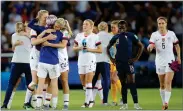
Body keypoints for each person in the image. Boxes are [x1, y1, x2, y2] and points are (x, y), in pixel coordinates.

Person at [107, 20, 144, 110]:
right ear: (118, 28)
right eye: (120, 27)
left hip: (128, 63)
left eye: (123, 27)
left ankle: (136, 104)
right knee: (123, 84)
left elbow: (141, 46)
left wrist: (136, 58)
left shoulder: (131, 36)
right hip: (119, 63)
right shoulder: (116, 37)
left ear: (126, 27)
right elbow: (108, 47)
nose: (121, 28)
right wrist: (111, 58)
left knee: (132, 82)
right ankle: (125, 104)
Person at [147, 16, 181, 110]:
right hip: (159, 61)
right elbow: (151, 45)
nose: (161, 25)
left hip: (170, 61)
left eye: (163, 23)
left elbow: (177, 46)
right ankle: (163, 103)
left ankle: (166, 102)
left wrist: (178, 57)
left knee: (168, 82)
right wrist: (150, 47)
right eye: (159, 23)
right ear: (157, 24)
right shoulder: (154, 35)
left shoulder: (171, 34)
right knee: (162, 84)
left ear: (166, 24)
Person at [1, 22, 32, 109]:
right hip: (28, 62)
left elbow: (14, 48)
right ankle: (28, 104)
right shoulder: (29, 35)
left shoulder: (14, 35)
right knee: (30, 85)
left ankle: (5, 104)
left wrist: (16, 44)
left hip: (17, 62)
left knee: (11, 84)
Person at [23, 10, 50, 109]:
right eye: (45, 17)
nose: (47, 19)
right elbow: (34, 42)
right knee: (35, 81)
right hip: (35, 56)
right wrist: (45, 38)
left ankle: (42, 103)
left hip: (45, 56)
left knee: (45, 80)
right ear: (40, 18)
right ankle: (26, 102)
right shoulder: (35, 29)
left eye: (48, 17)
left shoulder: (48, 28)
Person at [35, 18, 64, 110]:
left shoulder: (48, 31)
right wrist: (45, 35)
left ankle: (39, 105)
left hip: (45, 60)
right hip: (51, 61)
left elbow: (37, 40)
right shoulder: (59, 34)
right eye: (57, 25)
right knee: (53, 84)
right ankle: (50, 105)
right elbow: (62, 45)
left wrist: (46, 39)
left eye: (58, 26)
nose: (57, 27)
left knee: (41, 83)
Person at [73, 19, 102, 108]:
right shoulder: (79, 35)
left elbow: (100, 50)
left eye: (86, 24)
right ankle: (91, 100)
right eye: (83, 24)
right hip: (81, 60)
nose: (84, 26)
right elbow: (74, 48)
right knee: (83, 83)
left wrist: (89, 49)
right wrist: (80, 47)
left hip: (91, 60)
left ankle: (86, 103)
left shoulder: (95, 36)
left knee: (88, 81)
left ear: (91, 26)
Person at [92, 21, 112, 106]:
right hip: (105, 60)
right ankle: (105, 101)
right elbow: (113, 49)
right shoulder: (110, 36)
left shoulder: (94, 36)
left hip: (95, 60)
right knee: (106, 80)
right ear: (107, 27)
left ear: (99, 28)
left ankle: (88, 100)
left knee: (92, 80)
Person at [110, 20, 123, 106]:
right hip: (109, 60)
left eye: (114, 27)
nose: (113, 29)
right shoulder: (109, 36)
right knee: (112, 80)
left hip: (117, 60)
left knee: (114, 78)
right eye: (111, 27)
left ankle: (123, 96)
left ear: (118, 28)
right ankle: (114, 101)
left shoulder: (121, 37)